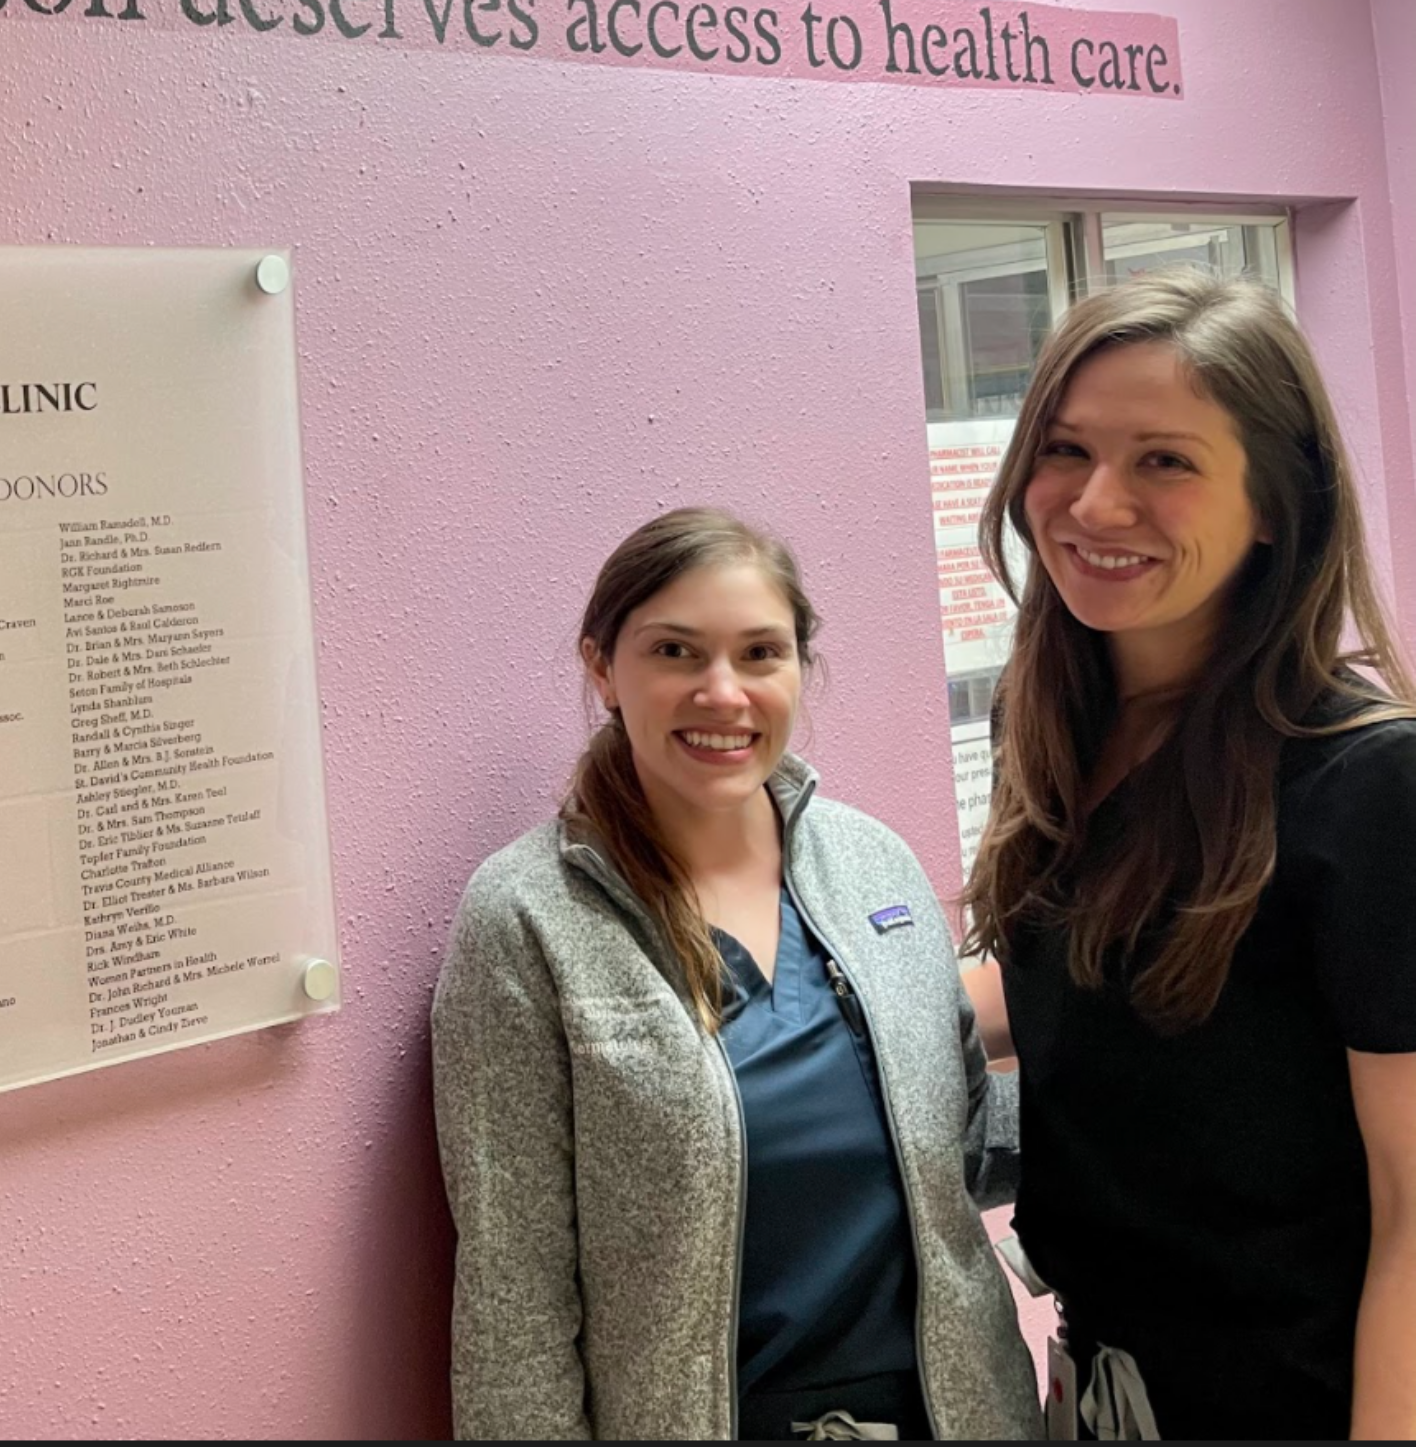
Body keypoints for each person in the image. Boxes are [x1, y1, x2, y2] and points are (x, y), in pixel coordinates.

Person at [432, 507, 1038, 1440]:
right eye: (676, 651)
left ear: (799, 666)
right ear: (602, 667)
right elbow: (515, 1298)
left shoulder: (877, 868)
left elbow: (958, 1152)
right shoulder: (529, 919)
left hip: (959, 1416)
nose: (724, 692)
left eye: (760, 653)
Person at [962, 270, 1416, 1439]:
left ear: (1276, 503)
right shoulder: (1061, 721)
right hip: (1101, 1388)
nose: (1094, 504)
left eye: (1164, 460)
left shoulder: (1368, 782)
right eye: (1063, 449)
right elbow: (1080, 979)